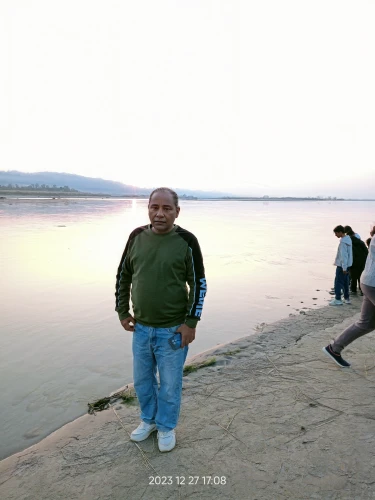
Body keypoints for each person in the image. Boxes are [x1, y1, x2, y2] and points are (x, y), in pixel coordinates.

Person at [115, 187, 207, 452]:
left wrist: (191, 322)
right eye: (154, 207)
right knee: (143, 381)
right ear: (148, 209)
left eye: (167, 208)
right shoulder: (136, 237)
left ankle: (166, 426)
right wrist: (122, 311)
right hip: (141, 328)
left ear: (177, 212)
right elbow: (124, 276)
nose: (160, 213)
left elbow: (199, 284)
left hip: (173, 331)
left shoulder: (187, 241)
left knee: (169, 383)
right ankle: (149, 421)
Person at [323, 226, 375, 367]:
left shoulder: (351, 240)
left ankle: (334, 348)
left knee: (366, 323)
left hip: (368, 282)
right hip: (372, 284)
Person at [329, 225, 353, 306]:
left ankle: (338, 299)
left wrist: (344, 267)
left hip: (342, 266)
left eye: (336, 233)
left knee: (338, 282)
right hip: (348, 264)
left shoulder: (343, 242)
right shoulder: (348, 239)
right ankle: (347, 298)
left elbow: (344, 256)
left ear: (340, 232)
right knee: (346, 282)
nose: (335, 235)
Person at [344, 227, 368, 295]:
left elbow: (347, 254)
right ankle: (362, 291)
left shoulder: (349, 244)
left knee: (353, 277)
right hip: (362, 261)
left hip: (353, 262)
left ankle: (353, 291)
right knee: (361, 276)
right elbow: (366, 251)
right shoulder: (361, 242)